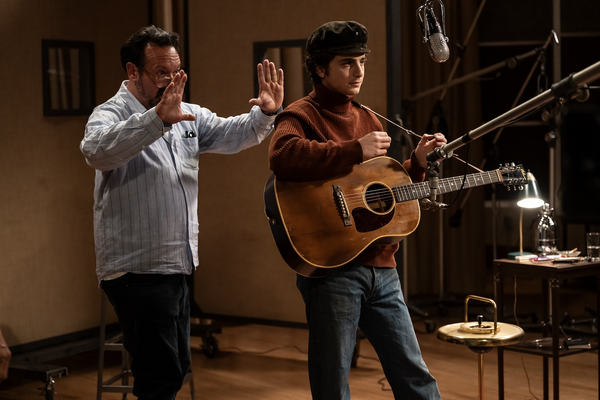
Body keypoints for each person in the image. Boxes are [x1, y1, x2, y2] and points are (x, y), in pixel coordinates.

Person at [80, 25, 283, 399]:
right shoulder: (109, 114)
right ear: (132, 71)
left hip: (177, 263)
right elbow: (96, 151)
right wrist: (157, 120)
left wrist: (265, 114)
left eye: (176, 71)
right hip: (136, 269)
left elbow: (232, 132)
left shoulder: (187, 113)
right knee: (159, 376)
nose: (171, 81)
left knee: (176, 369)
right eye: (161, 73)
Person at [268, 21, 444, 399]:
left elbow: (382, 189)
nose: (359, 71)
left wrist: (417, 163)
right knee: (333, 384)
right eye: (347, 63)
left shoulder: (368, 117)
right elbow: (282, 155)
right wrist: (354, 150)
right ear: (320, 68)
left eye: (362, 61)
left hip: (382, 268)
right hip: (333, 270)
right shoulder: (300, 115)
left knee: (416, 378)